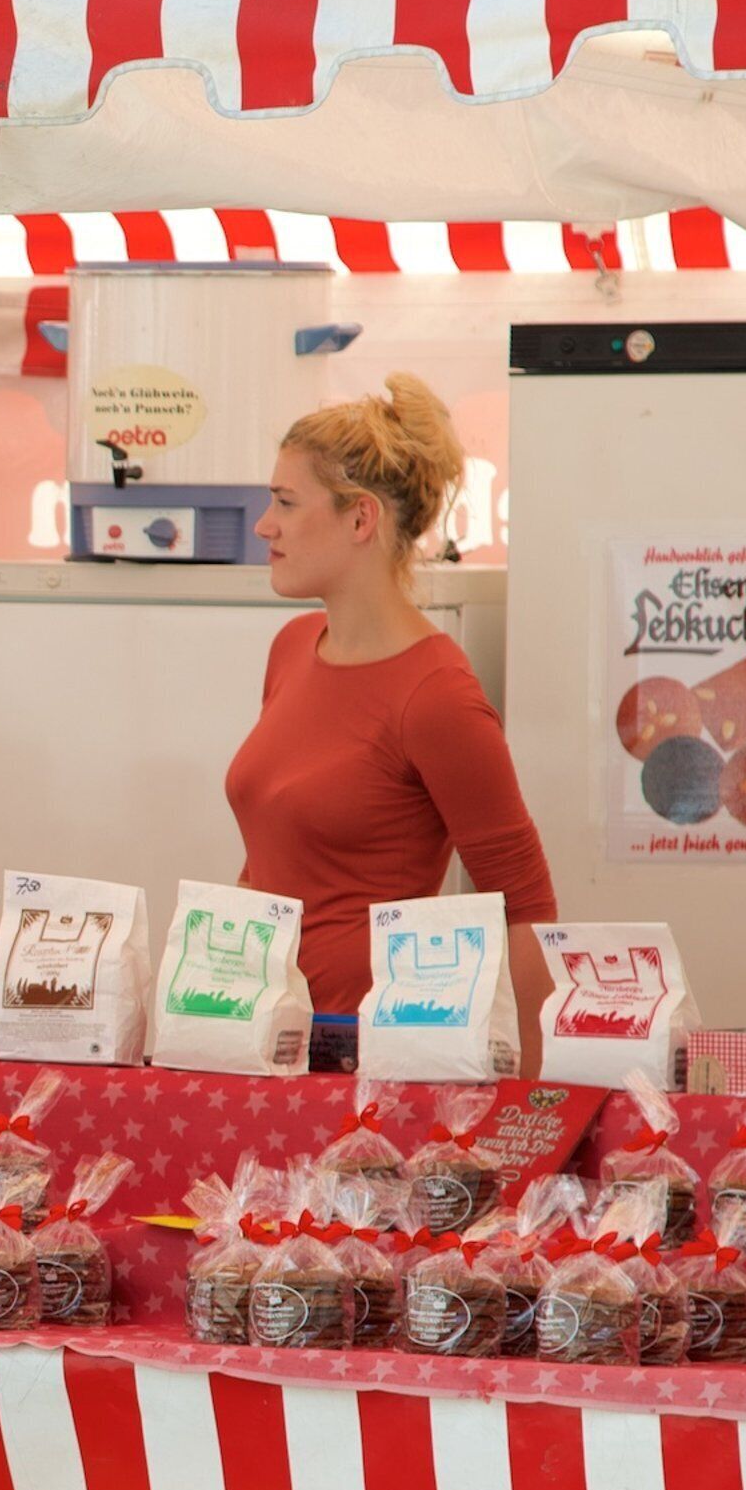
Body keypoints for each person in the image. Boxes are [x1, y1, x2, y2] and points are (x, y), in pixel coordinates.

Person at [225, 373, 558, 1038]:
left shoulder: (435, 695)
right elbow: (270, 864)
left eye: (286, 502)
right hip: (259, 1033)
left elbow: (525, 908)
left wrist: (530, 1089)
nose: (264, 525)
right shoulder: (292, 647)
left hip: (368, 1050)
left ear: (360, 518)